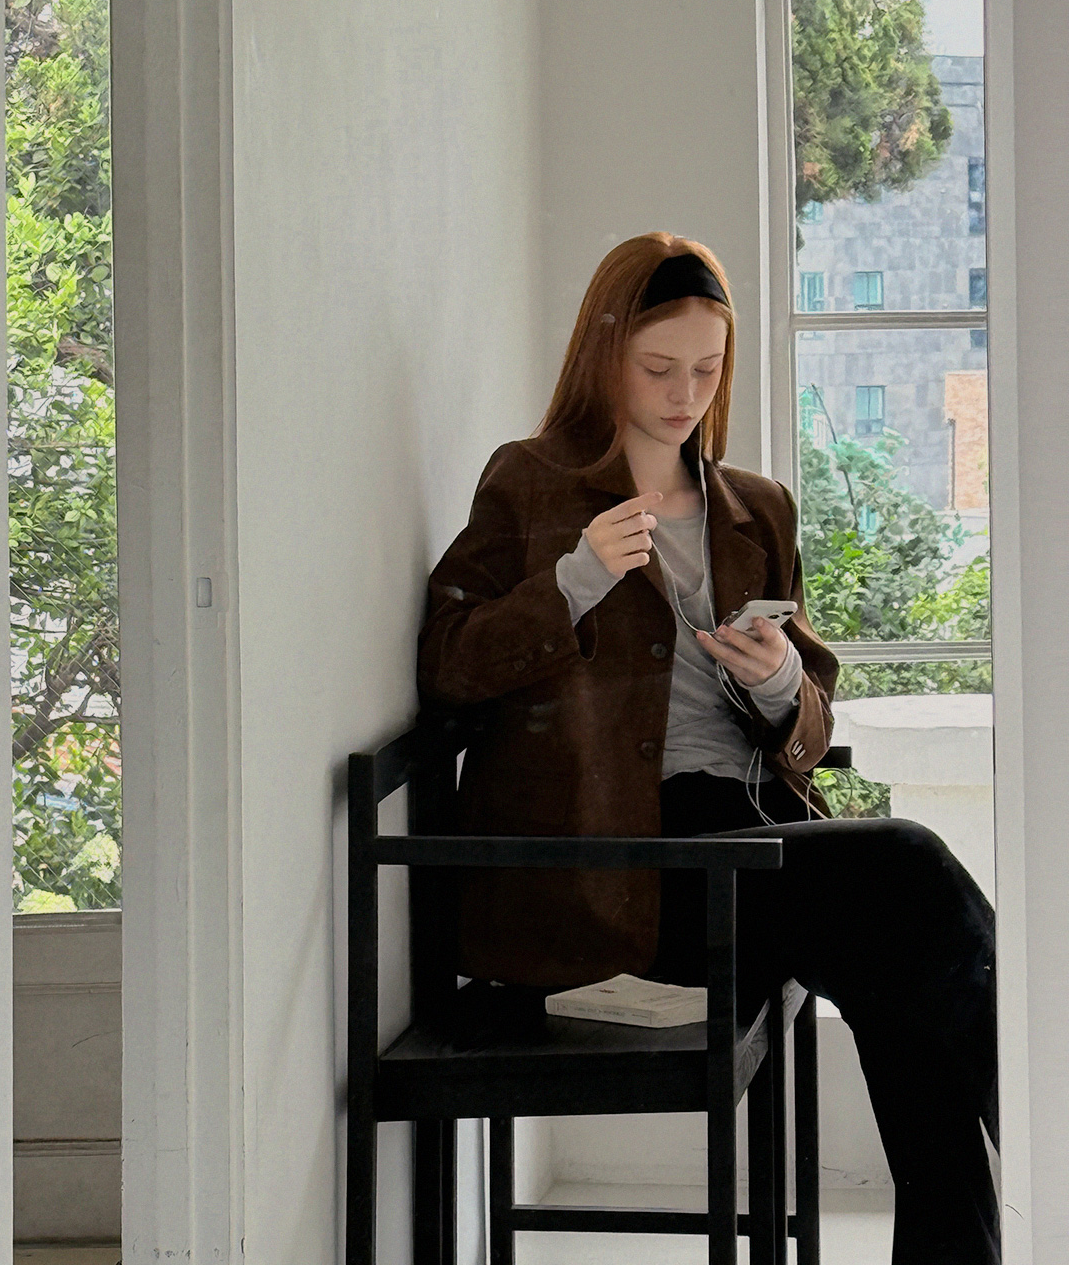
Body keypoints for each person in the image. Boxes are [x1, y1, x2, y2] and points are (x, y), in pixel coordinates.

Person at [417, 233, 999, 1265]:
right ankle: (1050, 1137)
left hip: (755, 845)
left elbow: (811, 725)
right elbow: (451, 664)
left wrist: (776, 681)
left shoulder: (755, 510)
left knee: (907, 975)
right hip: (624, 867)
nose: (686, 393)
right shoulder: (531, 484)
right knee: (911, 873)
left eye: (707, 367)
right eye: (658, 367)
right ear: (605, 353)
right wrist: (572, 583)